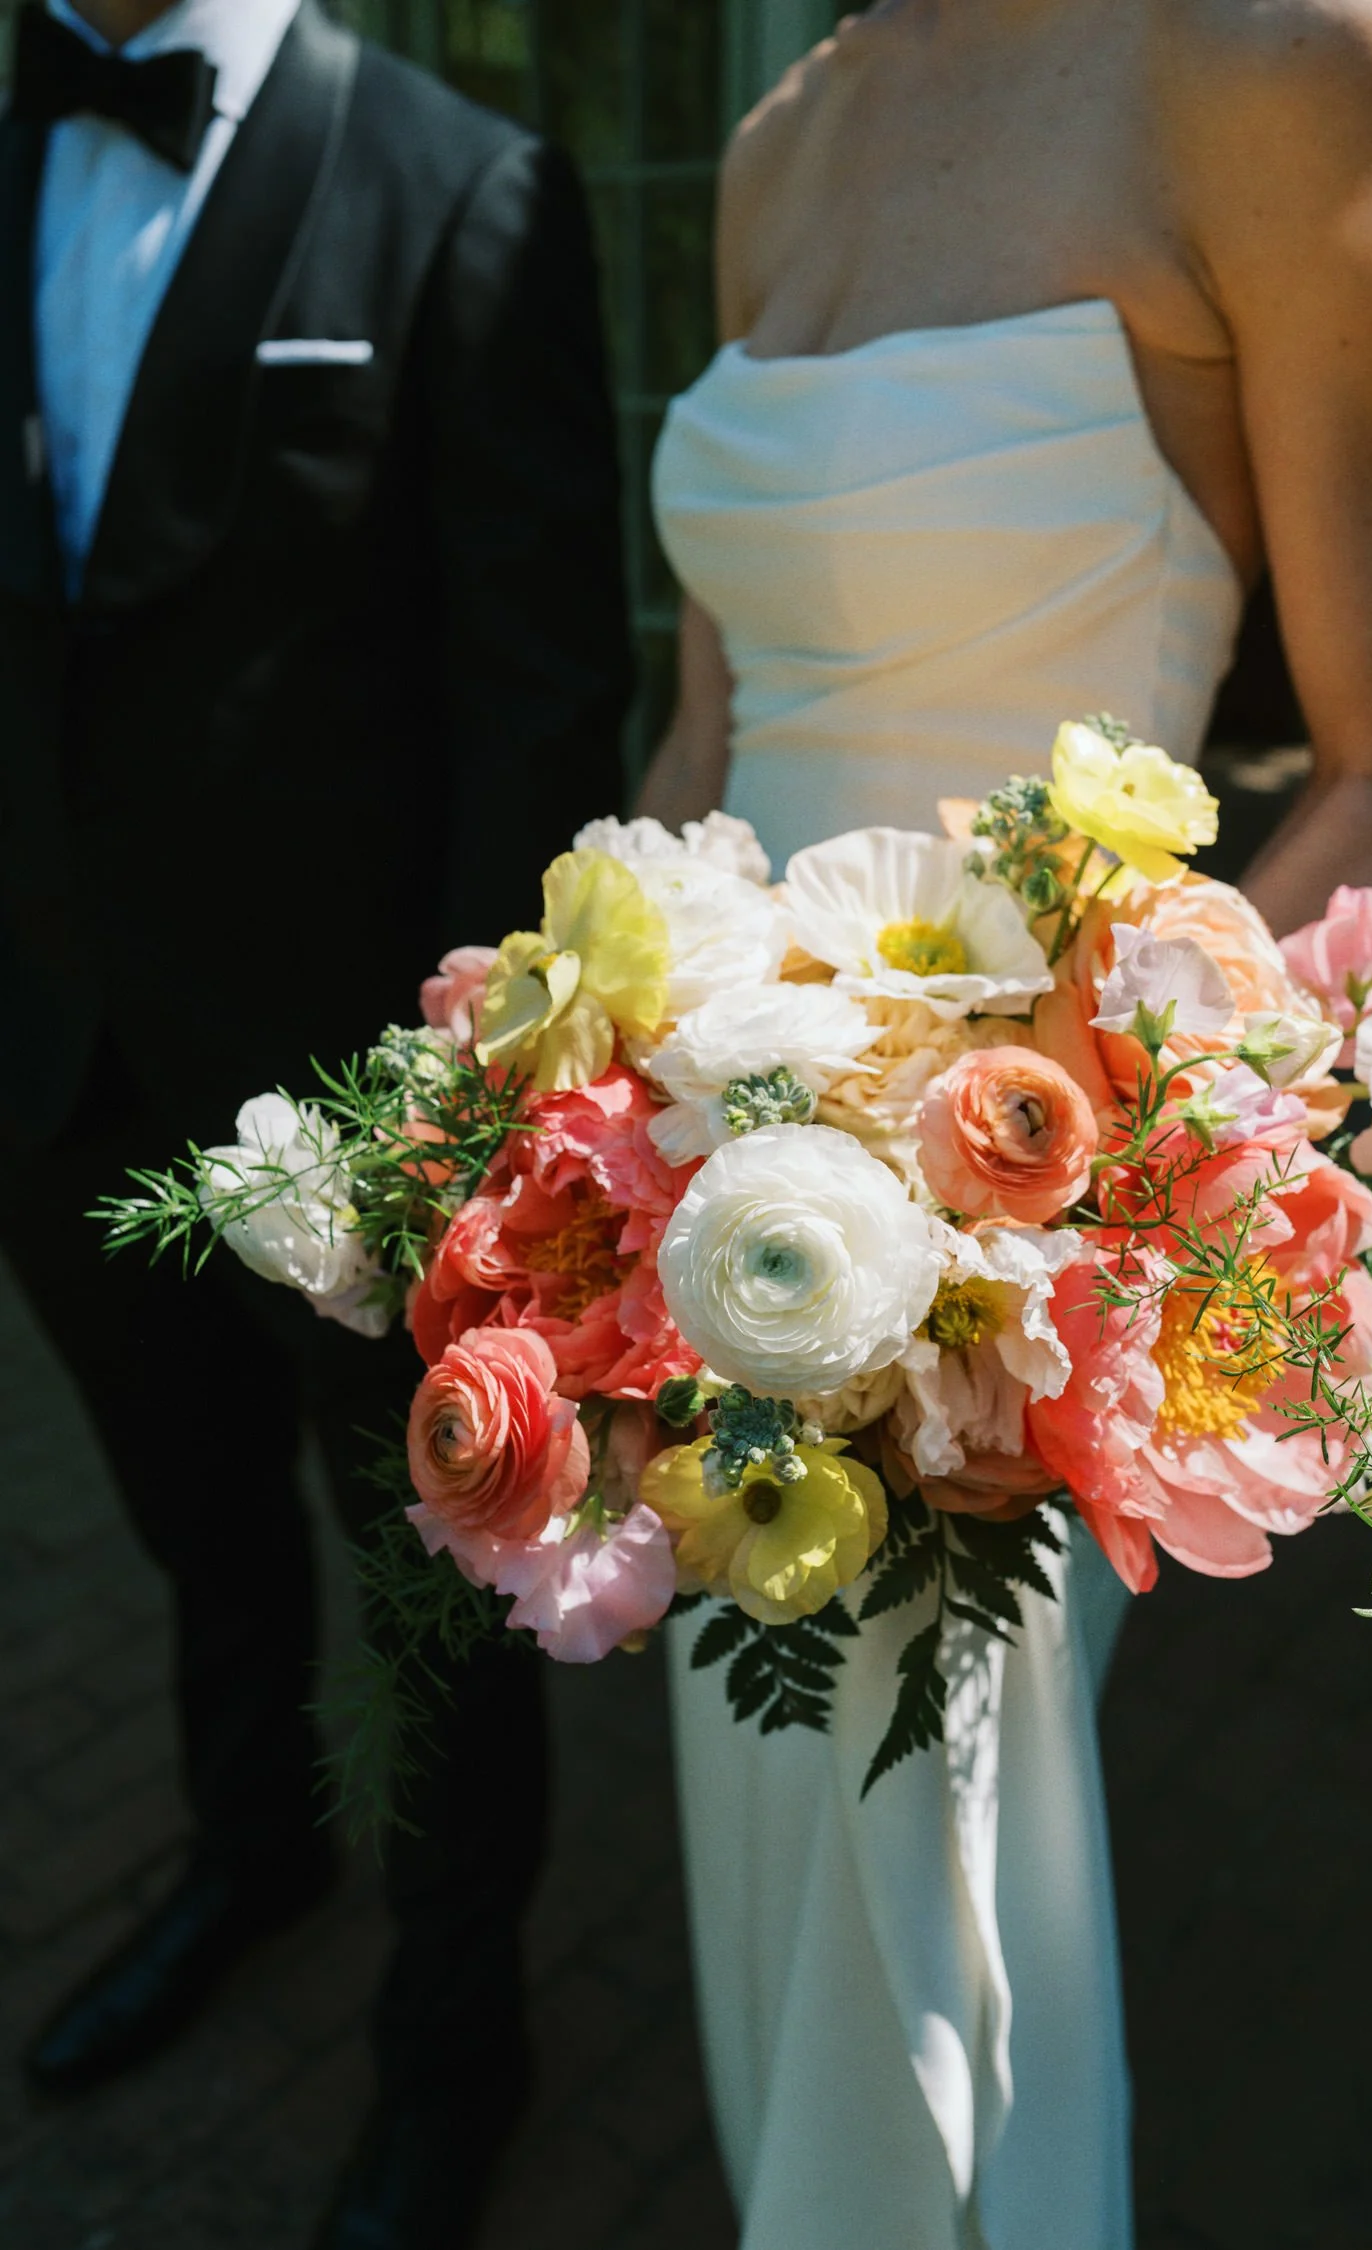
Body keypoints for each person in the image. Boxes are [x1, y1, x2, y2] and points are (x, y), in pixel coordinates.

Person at [637, 1, 1372, 2243]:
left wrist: (1015, 1230)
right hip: (712, 1216)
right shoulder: (780, 134)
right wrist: (574, 1111)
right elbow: (711, 732)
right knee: (769, 1862)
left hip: (1015, 1246)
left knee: (938, 1891)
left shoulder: (1288, 47)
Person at [0, 3, 630, 2246]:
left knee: (437, 1604)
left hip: (358, 1121)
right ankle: (251, 1857)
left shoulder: (468, 184)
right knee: (197, 1533)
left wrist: (454, 1135)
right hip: (53, 1079)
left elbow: (545, 696)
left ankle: (458, 2050)